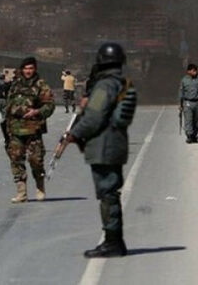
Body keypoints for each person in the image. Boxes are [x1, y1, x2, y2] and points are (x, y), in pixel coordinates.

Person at [65, 42, 136, 258]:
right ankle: (115, 241)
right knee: (110, 192)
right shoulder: (124, 83)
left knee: (107, 194)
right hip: (116, 142)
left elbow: (95, 117)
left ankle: (112, 242)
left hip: (104, 145)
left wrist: (74, 133)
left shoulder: (105, 86)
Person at [5, 57, 55, 203]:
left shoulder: (41, 85)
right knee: (16, 159)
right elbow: (8, 104)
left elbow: (49, 106)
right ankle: (21, 192)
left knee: (36, 160)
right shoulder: (15, 85)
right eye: (26, 68)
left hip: (33, 129)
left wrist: (36, 112)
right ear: (22, 69)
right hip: (15, 129)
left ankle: (40, 187)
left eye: (31, 68)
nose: (28, 71)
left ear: (35, 69)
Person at [179, 64, 198, 144]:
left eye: (195, 70)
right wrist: (180, 104)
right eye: (193, 70)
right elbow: (181, 92)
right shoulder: (184, 80)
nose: (194, 72)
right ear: (188, 71)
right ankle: (189, 135)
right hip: (188, 102)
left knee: (196, 121)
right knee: (188, 120)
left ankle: (194, 135)